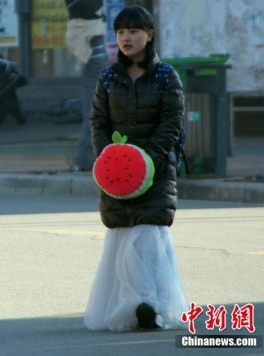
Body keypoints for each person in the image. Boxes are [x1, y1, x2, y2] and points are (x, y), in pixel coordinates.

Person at [83, 6, 188, 331]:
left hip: (155, 173)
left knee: (147, 238)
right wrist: (110, 158)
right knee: (124, 239)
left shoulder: (166, 77)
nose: (127, 38)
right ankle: (139, 305)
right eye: (121, 32)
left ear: (149, 34)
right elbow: (98, 121)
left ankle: (144, 305)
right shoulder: (107, 78)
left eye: (134, 31)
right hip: (117, 174)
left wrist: (147, 162)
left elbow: (172, 123)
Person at [64, 0, 109, 172]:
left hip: (93, 41)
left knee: (95, 105)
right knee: (94, 105)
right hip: (92, 44)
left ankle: (87, 159)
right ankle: (88, 159)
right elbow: (84, 7)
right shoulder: (83, 12)